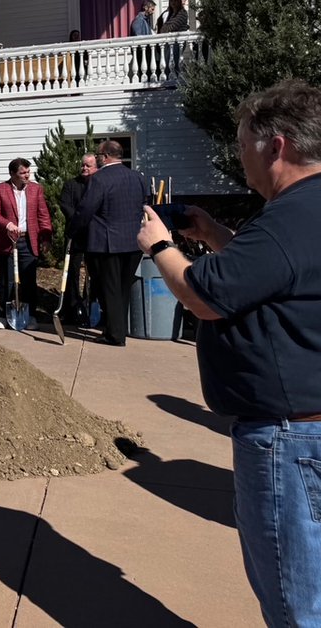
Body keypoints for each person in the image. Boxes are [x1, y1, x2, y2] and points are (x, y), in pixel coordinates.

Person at [137, 80, 321, 625]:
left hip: (290, 436)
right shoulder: (304, 213)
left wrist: (160, 246)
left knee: (296, 602)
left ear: (277, 146)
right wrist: (216, 234)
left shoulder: (291, 216)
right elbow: (271, 273)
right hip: (304, 426)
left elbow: (205, 295)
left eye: (243, 146)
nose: (241, 159)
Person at [69, 140, 146, 346]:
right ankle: (118, 330)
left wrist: (73, 230)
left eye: (98, 155)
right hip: (133, 242)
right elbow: (142, 204)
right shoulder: (137, 177)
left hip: (107, 243)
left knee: (109, 289)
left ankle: (115, 334)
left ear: (105, 157)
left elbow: (86, 209)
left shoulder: (100, 178)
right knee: (122, 289)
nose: (98, 158)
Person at [0, 158, 52, 329]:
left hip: (28, 241)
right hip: (7, 242)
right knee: (6, 281)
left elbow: (43, 214)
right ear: (12, 174)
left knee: (29, 281)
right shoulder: (0, 189)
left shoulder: (36, 189)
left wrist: (46, 237)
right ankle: (5, 314)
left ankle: (30, 315)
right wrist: (7, 224)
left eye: (28, 172)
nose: (27, 175)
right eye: (22, 173)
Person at [58, 153, 99, 323]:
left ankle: (91, 305)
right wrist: (80, 221)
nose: (84, 168)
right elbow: (65, 205)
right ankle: (72, 308)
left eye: (88, 165)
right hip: (74, 234)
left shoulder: (99, 184)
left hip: (95, 234)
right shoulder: (71, 184)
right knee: (72, 272)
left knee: (95, 272)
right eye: (83, 165)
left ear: (96, 167)